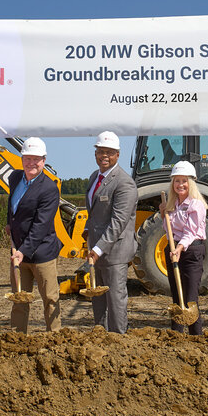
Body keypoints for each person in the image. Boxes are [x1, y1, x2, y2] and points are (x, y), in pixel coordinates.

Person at [5, 137, 62, 333]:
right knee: (19, 297)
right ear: (21, 159)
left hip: (41, 253)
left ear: (43, 161)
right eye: (27, 158)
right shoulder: (14, 178)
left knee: (50, 298)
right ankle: (17, 338)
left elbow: (41, 225)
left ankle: (55, 337)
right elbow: (12, 204)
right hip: (19, 251)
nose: (31, 163)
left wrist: (23, 251)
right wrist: (9, 223)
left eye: (36, 159)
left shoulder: (49, 189)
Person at [85, 131, 137, 334]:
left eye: (109, 152)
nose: (104, 155)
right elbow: (93, 212)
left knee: (115, 299)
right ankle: (100, 336)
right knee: (98, 299)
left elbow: (119, 222)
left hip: (115, 251)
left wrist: (98, 249)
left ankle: (118, 338)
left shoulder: (124, 183)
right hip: (96, 250)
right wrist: (89, 233)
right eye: (100, 151)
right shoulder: (94, 177)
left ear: (117, 154)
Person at [161, 161, 206, 335]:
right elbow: (168, 230)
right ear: (173, 183)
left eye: (184, 181)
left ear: (191, 183)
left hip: (191, 251)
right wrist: (163, 213)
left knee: (190, 299)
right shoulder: (172, 204)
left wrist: (179, 249)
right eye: (177, 181)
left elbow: (190, 232)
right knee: (176, 295)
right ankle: (176, 334)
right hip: (174, 250)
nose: (180, 185)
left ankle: (196, 336)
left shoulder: (196, 205)